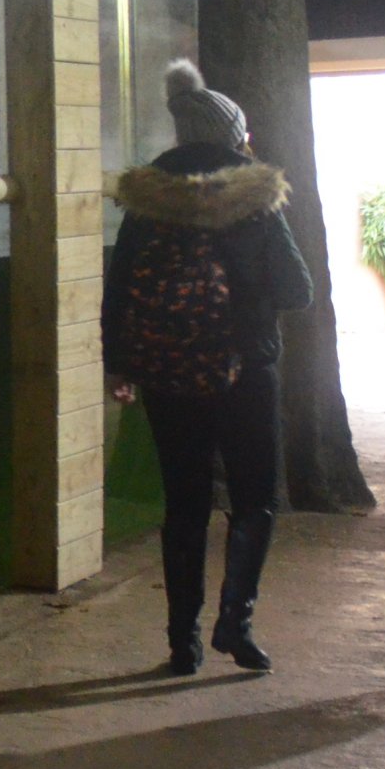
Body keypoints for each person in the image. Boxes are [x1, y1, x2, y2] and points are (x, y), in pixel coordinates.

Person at [103, 60, 315, 676]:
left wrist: (120, 363)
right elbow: (297, 290)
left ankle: (182, 641)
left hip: (167, 372)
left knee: (185, 503)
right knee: (254, 498)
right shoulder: (254, 200)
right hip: (245, 369)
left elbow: (119, 291)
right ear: (233, 136)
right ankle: (235, 623)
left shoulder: (146, 202)